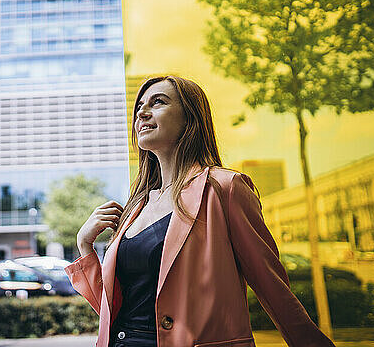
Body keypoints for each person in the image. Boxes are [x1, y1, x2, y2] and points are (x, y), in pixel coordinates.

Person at [64, 76, 336, 347]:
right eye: (139, 108)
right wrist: (84, 246)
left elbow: (274, 290)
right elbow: (115, 311)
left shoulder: (225, 189)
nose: (142, 112)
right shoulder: (137, 206)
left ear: (190, 119)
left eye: (158, 102)